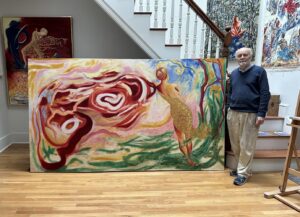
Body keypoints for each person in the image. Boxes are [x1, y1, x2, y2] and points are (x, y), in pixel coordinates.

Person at [227, 47, 270, 186]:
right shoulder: (233, 74)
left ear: (250, 56)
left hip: (251, 114)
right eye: (239, 55)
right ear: (236, 58)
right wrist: (228, 107)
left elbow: (265, 93)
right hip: (233, 113)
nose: (242, 57)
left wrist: (261, 113)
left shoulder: (259, 72)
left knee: (247, 145)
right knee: (236, 144)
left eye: (245, 55)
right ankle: (241, 168)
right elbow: (230, 93)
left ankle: (243, 173)